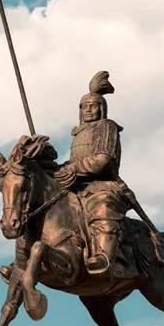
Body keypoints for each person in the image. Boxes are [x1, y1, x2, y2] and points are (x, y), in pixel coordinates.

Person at [55, 71, 129, 275]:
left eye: (93, 106)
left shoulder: (106, 127)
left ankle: (104, 255)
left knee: (103, 205)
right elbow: (74, 161)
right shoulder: (79, 133)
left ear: (102, 108)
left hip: (103, 184)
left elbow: (102, 160)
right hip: (77, 185)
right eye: (84, 106)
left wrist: (72, 168)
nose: (88, 110)